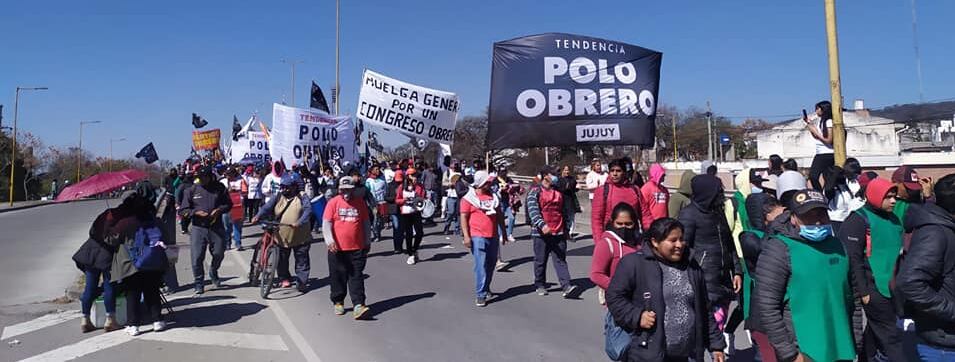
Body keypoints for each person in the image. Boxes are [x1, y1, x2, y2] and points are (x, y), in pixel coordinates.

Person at [754, 189, 856, 362]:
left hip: (841, 347)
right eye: (808, 215)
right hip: (804, 351)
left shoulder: (838, 246)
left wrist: (856, 339)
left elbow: (853, 298)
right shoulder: (779, 249)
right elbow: (767, 306)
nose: (817, 221)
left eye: (822, 214)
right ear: (793, 218)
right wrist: (789, 353)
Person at [606, 218, 727, 362]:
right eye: (673, 240)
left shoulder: (691, 266)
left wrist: (716, 346)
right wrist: (637, 316)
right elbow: (614, 297)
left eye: (681, 239)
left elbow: (704, 309)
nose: (679, 245)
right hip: (647, 354)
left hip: (686, 355)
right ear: (655, 242)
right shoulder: (634, 264)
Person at [837, 178, 906, 361]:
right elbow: (853, 258)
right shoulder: (857, 220)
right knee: (891, 336)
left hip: (892, 286)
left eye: (894, 197)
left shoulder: (893, 219)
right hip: (873, 287)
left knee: (877, 333)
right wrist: (863, 290)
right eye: (888, 197)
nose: (893, 201)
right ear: (875, 196)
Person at [678, 174, 742, 349]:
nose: (721, 195)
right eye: (717, 191)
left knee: (716, 330)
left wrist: (737, 271)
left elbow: (729, 244)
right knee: (703, 332)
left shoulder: (718, 212)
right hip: (703, 282)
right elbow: (683, 249)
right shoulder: (688, 215)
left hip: (723, 281)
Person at [897, 174, 955, 361]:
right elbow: (909, 282)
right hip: (943, 345)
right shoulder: (936, 233)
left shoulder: (947, 227)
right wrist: (951, 310)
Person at [104, 191, 168, 336]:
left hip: (132, 264)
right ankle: (157, 320)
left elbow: (110, 240)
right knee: (152, 291)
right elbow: (166, 236)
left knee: (132, 293)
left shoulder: (125, 222)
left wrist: (108, 223)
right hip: (153, 261)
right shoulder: (155, 221)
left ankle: (134, 324)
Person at [737, 193, 785, 361]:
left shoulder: (777, 233)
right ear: (765, 216)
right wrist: (776, 225)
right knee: (764, 354)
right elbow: (764, 250)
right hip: (758, 306)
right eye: (778, 214)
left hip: (778, 303)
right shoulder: (748, 236)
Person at [322, 176, 372, 319]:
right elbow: (327, 223)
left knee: (356, 276)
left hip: (357, 247)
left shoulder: (360, 203)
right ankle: (338, 301)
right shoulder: (333, 203)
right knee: (338, 276)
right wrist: (330, 241)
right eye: (343, 190)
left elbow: (366, 223)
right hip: (337, 248)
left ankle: (359, 305)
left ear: (353, 190)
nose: (346, 193)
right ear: (339, 189)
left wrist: (367, 241)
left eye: (349, 190)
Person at [253, 179, 312, 292]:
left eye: (287, 187)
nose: (284, 189)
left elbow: (308, 211)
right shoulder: (278, 196)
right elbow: (267, 207)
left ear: (294, 187)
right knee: (282, 259)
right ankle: (284, 278)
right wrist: (258, 215)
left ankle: (302, 281)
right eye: (282, 187)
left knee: (301, 260)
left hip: (300, 236)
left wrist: (299, 222)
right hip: (282, 235)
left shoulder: (302, 196)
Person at [179, 167, 232, 294]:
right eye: (198, 177)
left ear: (209, 176)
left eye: (203, 177)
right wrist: (195, 212)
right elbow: (183, 210)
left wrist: (219, 210)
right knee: (197, 257)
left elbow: (228, 204)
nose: (200, 180)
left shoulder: (219, 188)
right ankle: (199, 282)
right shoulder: (191, 190)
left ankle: (213, 270)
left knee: (219, 253)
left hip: (216, 226)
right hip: (198, 228)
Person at [526, 166, 576, 298]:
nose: (555, 176)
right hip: (541, 233)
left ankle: (566, 285)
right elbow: (533, 210)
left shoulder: (558, 192)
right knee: (540, 260)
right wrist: (542, 225)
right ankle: (540, 284)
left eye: (556, 174)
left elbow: (563, 212)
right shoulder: (535, 192)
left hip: (558, 231)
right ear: (545, 176)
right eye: (553, 174)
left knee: (560, 259)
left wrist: (565, 229)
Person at [73, 206, 124, 332]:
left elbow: (92, 232)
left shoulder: (104, 216)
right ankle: (110, 320)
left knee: (90, 288)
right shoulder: (121, 220)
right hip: (107, 256)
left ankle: (85, 320)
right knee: (109, 287)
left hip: (90, 253)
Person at [461, 170, 507, 307]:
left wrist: (503, 233)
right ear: (481, 183)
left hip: (492, 235)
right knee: (480, 265)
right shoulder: (468, 199)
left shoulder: (493, 197)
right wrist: (466, 236)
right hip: (477, 236)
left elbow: (499, 215)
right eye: (488, 182)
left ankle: (486, 288)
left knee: (490, 264)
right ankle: (480, 294)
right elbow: (463, 217)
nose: (490, 184)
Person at [590, 203, 642, 306]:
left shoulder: (641, 243)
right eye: (619, 223)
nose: (624, 227)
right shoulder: (606, 244)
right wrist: (619, 288)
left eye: (628, 224)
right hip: (618, 304)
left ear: (634, 224)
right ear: (612, 223)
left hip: (639, 302)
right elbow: (596, 274)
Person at [592, 158, 654, 240]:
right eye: (612, 171)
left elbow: (645, 214)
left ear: (624, 173)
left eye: (618, 171)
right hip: (610, 237)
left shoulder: (635, 190)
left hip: (632, 236)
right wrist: (599, 242)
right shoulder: (602, 191)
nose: (614, 174)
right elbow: (597, 220)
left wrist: (650, 234)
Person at [397, 167, 426, 265]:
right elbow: (397, 200)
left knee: (420, 233)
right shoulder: (402, 187)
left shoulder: (420, 186)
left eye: (416, 175)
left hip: (416, 212)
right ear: (408, 176)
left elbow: (423, 198)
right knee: (408, 234)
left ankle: (415, 249)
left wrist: (419, 199)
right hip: (406, 212)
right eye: (412, 175)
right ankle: (410, 254)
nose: (414, 177)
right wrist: (404, 200)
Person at [804, 101, 836, 190]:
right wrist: (809, 125)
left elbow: (829, 140)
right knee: (826, 178)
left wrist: (816, 133)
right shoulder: (821, 121)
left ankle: (820, 194)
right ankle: (825, 195)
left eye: (817, 109)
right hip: (822, 152)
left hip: (825, 153)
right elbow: (816, 137)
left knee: (813, 176)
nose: (816, 111)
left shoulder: (829, 121)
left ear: (823, 109)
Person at [222, 168, 246, 250]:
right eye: (227, 174)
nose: (228, 176)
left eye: (230, 174)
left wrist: (237, 191)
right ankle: (227, 243)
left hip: (237, 206)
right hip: (226, 207)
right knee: (227, 227)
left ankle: (238, 243)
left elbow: (245, 192)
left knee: (237, 226)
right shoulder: (223, 182)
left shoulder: (241, 181)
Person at [556, 165, 581, 238]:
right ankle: (563, 232)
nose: (567, 172)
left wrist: (577, 188)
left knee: (571, 217)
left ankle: (570, 233)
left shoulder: (572, 179)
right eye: (565, 170)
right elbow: (558, 189)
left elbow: (575, 187)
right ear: (562, 171)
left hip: (570, 200)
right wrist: (565, 188)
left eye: (568, 170)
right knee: (563, 217)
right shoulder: (559, 180)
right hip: (562, 200)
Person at [365, 164, 388, 242]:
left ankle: (379, 231)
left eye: (378, 169)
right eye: (376, 169)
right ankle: (376, 234)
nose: (378, 171)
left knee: (382, 219)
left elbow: (386, 190)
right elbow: (367, 192)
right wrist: (369, 203)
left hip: (382, 202)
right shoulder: (368, 181)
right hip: (373, 203)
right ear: (371, 171)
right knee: (376, 218)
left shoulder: (382, 179)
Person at [385, 170, 405, 254]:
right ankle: (397, 247)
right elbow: (386, 197)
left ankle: (400, 245)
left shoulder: (406, 185)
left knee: (402, 229)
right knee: (396, 228)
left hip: (403, 209)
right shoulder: (390, 185)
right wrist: (395, 198)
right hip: (394, 209)